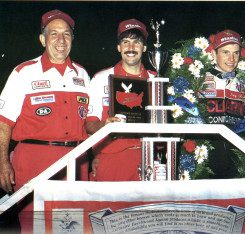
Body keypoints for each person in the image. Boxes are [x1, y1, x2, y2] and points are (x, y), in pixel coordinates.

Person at [0, 9, 90, 232]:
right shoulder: (23, 73)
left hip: (75, 166)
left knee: (72, 228)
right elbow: (3, 122)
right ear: (42, 39)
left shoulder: (83, 75)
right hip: (34, 165)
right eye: (54, 34)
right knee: (36, 229)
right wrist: (2, 162)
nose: (61, 40)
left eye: (67, 34)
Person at [86, 18, 156, 181]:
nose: (131, 48)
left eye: (136, 42)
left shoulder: (156, 80)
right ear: (119, 47)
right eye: (125, 42)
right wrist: (105, 125)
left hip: (149, 159)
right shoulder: (101, 78)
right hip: (112, 160)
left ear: (144, 47)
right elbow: (89, 124)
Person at [199, 29, 245, 178]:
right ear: (214, 54)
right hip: (209, 159)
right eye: (226, 52)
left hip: (238, 157)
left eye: (236, 53)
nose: (232, 58)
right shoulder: (200, 80)